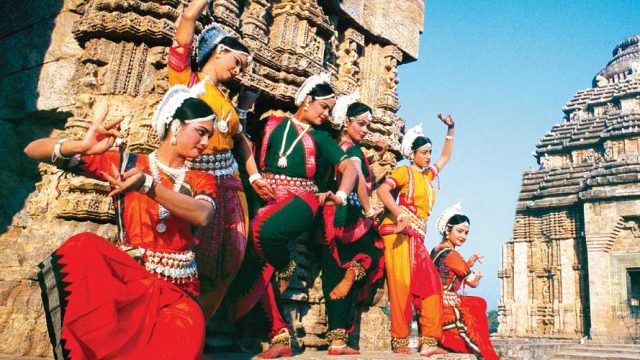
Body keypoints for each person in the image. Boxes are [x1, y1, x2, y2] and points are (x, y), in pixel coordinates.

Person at [27, 84, 218, 359]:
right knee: (83, 246)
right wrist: (81, 145)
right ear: (175, 127)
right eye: (201, 132)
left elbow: (202, 214)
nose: (205, 143)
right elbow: (33, 149)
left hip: (180, 294)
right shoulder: (128, 163)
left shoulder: (201, 179)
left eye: (209, 136)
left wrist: (148, 185)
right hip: (132, 283)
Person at [225, 73, 358, 359]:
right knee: (255, 261)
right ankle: (280, 335)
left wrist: (342, 194)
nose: (326, 114)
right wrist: (245, 109)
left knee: (260, 230)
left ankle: (285, 263)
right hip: (266, 194)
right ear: (308, 100)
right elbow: (243, 141)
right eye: (324, 107)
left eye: (330, 109)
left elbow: (349, 169)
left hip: (302, 199)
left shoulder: (321, 137)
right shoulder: (273, 124)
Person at [168, 0, 274, 319]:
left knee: (230, 258)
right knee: (193, 259)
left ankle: (198, 330)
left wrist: (254, 176)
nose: (238, 70)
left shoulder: (224, 100)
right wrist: (195, 9)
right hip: (196, 180)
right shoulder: (188, 85)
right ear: (218, 51)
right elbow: (184, 32)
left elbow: (239, 139)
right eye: (237, 62)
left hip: (231, 183)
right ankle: (180, 330)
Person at [376, 115, 455, 356]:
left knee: (431, 285)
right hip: (399, 233)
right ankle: (399, 340)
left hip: (417, 237)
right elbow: (382, 190)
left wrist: (451, 129)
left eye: (429, 151)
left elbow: (446, 158)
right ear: (412, 154)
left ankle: (428, 342)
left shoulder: (427, 176)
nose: (428, 156)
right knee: (401, 286)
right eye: (423, 152)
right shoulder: (404, 172)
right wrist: (398, 212)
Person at [320, 91, 385, 355]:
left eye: (368, 125)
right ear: (346, 122)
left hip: (330, 217)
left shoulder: (337, 147)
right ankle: (352, 275)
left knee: (333, 271)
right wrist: (369, 208)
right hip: (353, 216)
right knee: (369, 254)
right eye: (361, 123)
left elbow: (357, 168)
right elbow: (356, 172)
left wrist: (376, 158)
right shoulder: (354, 151)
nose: (366, 130)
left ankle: (337, 341)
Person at [431, 203, 499, 360]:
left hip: (435, 300)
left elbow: (446, 273)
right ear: (448, 230)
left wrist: (468, 264)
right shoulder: (453, 255)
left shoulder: (436, 249)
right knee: (479, 303)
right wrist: (478, 276)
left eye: (466, 233)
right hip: (446, 303)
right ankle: (483, 348)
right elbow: (472, 283)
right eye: (459, 231)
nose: (463, 236)